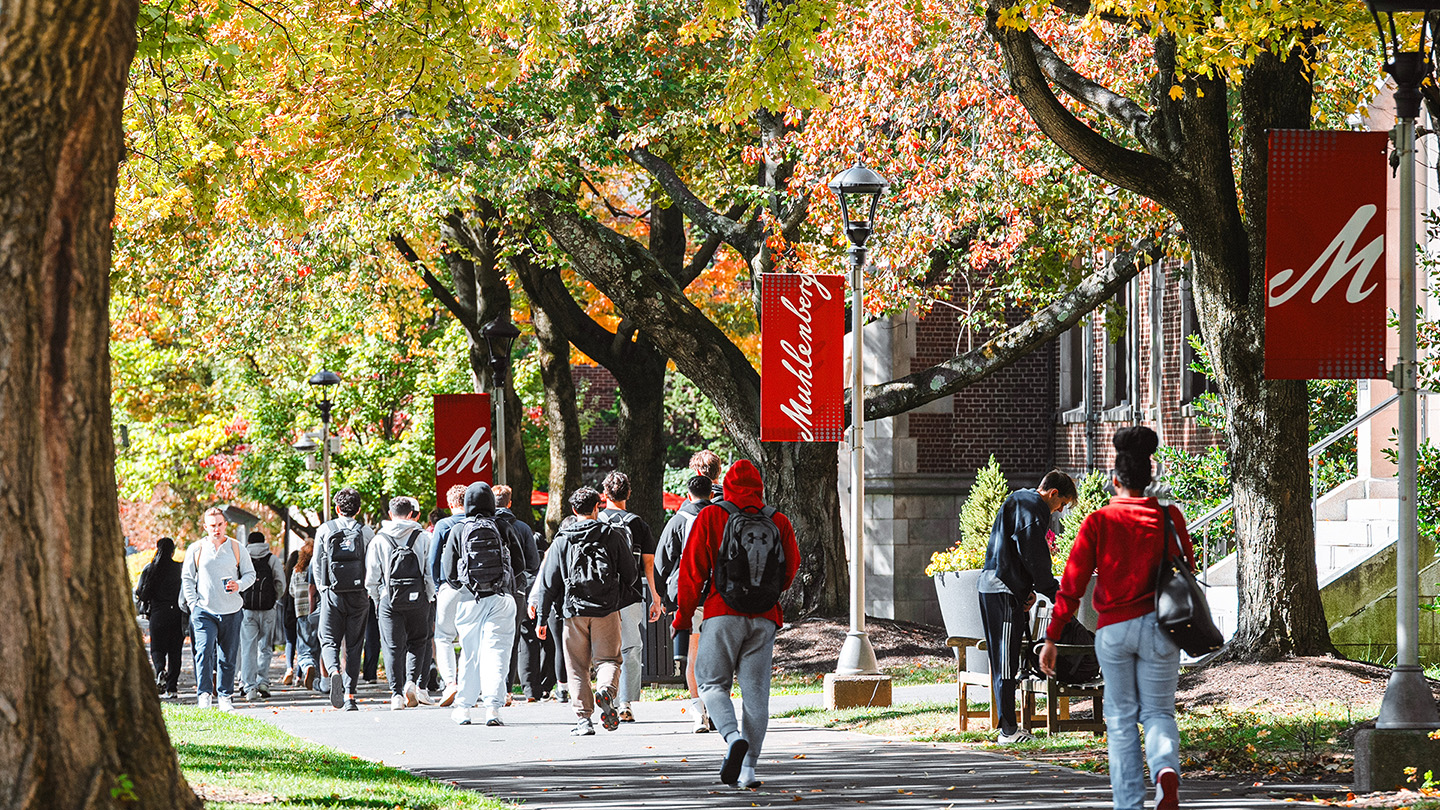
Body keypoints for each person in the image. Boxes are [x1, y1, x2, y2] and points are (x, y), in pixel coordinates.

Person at [1040, 427, 1190, 810]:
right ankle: (1165, 772)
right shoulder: (1170, 517)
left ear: (1114, 480)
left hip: (1114, 631)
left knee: (1121, 720)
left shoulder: (1098, 522)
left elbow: (1071, 587)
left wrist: (1053, 637)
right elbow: (1187, 568)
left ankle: (1129, 804)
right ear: (1149, 477)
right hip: (1160, 628)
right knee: (1158, 711)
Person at [674, 460, 800, 789]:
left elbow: (691, 573)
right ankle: (750, 770)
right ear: (759, 486)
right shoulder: (779, 520)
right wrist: (766, 596)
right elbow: (790, 569)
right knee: (756, 696)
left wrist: (683, 618)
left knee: (712, 685)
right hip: (765, 619)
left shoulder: (712, 516)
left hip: (721, 613)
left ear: (726, 485)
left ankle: (731, 739)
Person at [977, 469, 1077, 745]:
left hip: (996, 585)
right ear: (1053, 493)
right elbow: (1034, 555)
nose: (1058, 511)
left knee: (1002, 659)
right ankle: (1008, 730)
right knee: (1006, 661)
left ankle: (1008, 726)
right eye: (1061, 505)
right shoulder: (1034, 508)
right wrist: (1053, 593)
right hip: (1003, 591)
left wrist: (1028, 590)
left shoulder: (1019, 499)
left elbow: (1014, 552)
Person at [534, 487, 638, 736]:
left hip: (574, 611)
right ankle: (606, 691)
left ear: (573, 510)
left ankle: (583, 720)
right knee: (609, 660)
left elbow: (549, 583)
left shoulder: (562, 539)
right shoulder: (612, 535)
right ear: (597, 508)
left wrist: (542, 617)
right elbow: (632, 574)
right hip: (606, 610)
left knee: (577, 667)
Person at [441, 481, 526, 726]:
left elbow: (448, 571)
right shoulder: (503, 526)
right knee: (497, 653)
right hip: (501, 599)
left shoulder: (459, 529)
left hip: (470, 599)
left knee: (470, 653)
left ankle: (464, 708)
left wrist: (464, 585)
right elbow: (520, 564)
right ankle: (493, 709)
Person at [598, 471, 662, 723]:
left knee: (605, 652)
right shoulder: (638, 524)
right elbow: (648, 565)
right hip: (631, 596)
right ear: (629, 494)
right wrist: (655, 598)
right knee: (632, 648)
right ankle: (626, 703)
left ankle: (607, 695)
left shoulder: (597, 521)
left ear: (604, 495)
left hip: (601, 598)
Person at [655, 474, 715, 731]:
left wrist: (663, 598)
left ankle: (698, 710)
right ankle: (715, 708)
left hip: (688, 596)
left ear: (688, 495)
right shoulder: (723, 517)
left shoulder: (678, 521)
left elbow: (662, 561)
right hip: (720, 597)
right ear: (711, 494)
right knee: (717, 657)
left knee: (693, 656)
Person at [181, 507, 256, 711]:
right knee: (204, 652)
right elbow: (187, 578)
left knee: (227, 655)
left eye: (220, 525)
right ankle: (204, 694)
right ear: (205, 527)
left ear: (225, 525)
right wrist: (193, 603)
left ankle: (225, 696)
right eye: (212, 525)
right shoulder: (196, 549)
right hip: (204, 610)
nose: (217, 529)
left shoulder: (237, 547)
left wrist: (238, 585)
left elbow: (250, 574)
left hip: (231, 610)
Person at [366, 496, 437, 710]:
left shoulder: (379, 540)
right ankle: (411, 683)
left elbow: (372, 577)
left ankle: (396, 694)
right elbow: (430, 573)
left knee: (392, 646)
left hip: (389, 598)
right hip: (419, 598)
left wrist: (378, 599)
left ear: (390, 514)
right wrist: (429, 596)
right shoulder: (423, 537)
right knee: (418, 641)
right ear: (410, 513)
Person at [311, 487, 374, 711]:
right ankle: (349, 695)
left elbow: (317, 564)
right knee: (354, 645)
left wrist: (322, 589)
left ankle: (334, 672)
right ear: (358, 510)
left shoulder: (325, 530)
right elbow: (372, 565)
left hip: (332, 594)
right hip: (358, 595)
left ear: (337, 508)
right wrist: (369, 590)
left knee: (328, 640)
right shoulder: (366, 532)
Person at [494, 485, 543, 702]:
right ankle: (509, 689)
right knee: (515, 640)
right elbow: (534, 563)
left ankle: (487, 688)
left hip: (487, 591)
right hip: (516, 590)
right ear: (510, 503)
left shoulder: (482, 525)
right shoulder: (522, 528)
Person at [429, 483, 469, 706]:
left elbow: (434, 559)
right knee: (468, 637)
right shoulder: (479, 522)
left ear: (451, 503)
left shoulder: (444, 525)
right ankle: (467, 683)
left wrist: (437, 586)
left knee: (443, 637)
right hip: (475, 589)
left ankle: (451, 683)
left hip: (449, 586)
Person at [135, 536, 185, 698]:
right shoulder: (180, 569)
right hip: (177, 614)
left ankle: (160, 670)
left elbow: (141, 592)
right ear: (173, 551)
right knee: (175, 651)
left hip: (157, 614)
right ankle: (172, 688)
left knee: (157, 648)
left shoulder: (150, 569)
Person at [239, 530, 285, 701]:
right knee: (265, 647)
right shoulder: (271, 559)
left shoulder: (243, 558)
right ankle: (263, 682)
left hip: (247, 609)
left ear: (249, 543)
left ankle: (249, 687)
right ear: (264, 542)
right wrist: (274, 598)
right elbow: (280, 582)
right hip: (267, 609)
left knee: (248, 648)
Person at [288, 535, 319, 689]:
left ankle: (307, 666)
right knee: (317, 643)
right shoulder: (317, 569)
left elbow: (291, 591)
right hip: (316, 610)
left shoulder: (296, 571)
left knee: (303, 644)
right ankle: (318, 676)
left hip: (300, 611)